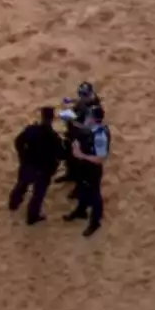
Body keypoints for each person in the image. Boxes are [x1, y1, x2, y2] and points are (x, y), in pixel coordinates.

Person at [9, 106, 66, 225]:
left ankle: (13, 204)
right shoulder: (54, 138)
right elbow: (61, 155)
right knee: (38, 195)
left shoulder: (31, 130)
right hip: (43, 171)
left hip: (28, 165)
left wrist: (22, 156)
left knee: (21, 184)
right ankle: (32, 217)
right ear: (52, 119)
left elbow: (18, 141)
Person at [65, 105, 111, 237]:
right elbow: (83, 129)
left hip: (92, 168)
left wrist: (81, 155)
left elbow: (101, 159)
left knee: (94, 195)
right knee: (82, 187)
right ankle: (81, 210)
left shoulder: (100, 136)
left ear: (94, 119)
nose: (87, 117)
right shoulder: (91, 127)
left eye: (89, 116)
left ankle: (95, 222)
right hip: (84, 165)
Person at [56, 81, 102, 187]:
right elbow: (80, 102)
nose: (81, 97)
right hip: (72, 134)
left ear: (90, 94)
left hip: (83, 139)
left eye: (84, 94)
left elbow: (88, 128)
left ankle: (78, 185)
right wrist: (71, 100)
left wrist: (73, 122)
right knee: (69, 157)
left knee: (80, 164)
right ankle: (70, 174)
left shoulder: (95, 109)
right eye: (80, 94)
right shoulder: (84, 101)